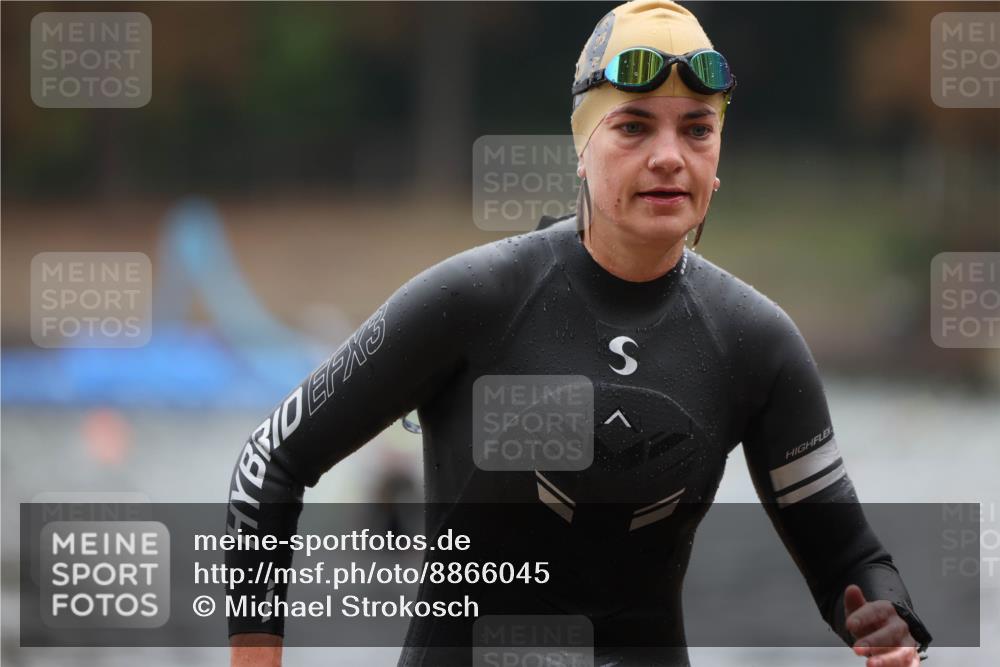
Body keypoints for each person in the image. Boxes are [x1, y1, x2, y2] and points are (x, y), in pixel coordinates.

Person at [227, 1, 933, 665]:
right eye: (633, 126)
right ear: (582, 145)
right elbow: (269, 465)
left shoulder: (755, 342)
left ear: (717, 158)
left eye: (696, 128)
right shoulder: (476, 300)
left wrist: (886, 621)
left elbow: (850, 561)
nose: (668, 155)